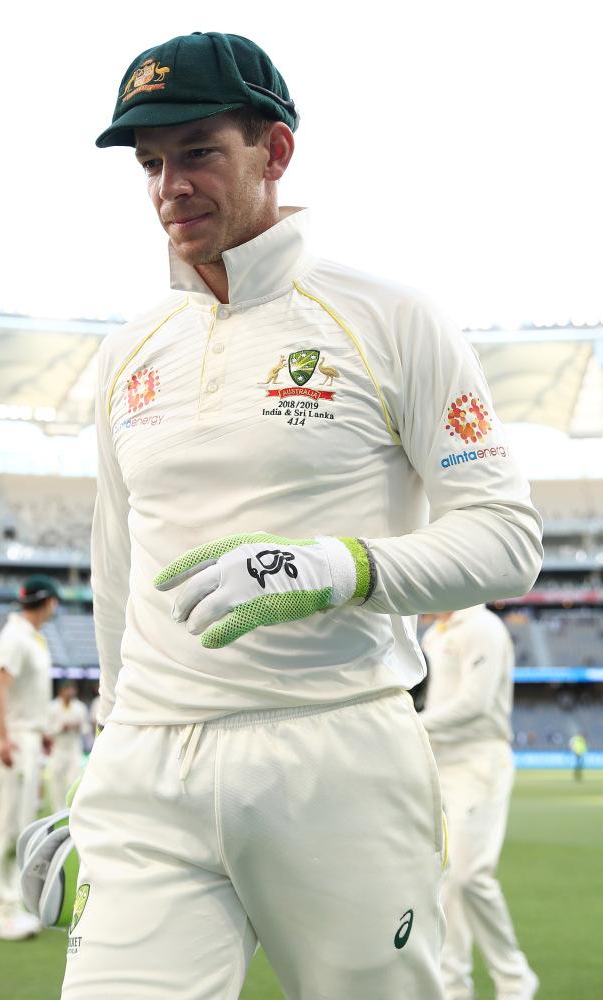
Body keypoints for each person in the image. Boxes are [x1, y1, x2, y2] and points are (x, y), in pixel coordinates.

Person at [55, 30, 542, 999]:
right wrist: (104, 755)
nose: (168, 188)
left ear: (274, 151)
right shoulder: (127, 352)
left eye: (197, 152)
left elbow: (506, 539)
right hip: (150, 762)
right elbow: (117, 569)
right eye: (150, 164)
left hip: (334, 751)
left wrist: (340, 567)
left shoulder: (389, 320)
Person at [419, 607, 539, 1000]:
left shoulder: (483, 627)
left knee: (471, 875)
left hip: (478, 761)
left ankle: (514, 978)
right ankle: (453, 986)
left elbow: (476, 703)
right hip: (440, 762)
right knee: (446, 880)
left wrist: (412, 723)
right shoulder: (434, 634)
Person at [0, 574, 59, 940]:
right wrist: (3, 737)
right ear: (50, 603)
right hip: (12, 740)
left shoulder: (31, 638)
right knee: (10, 828)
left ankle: (3, 905)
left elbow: (23, 693)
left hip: (24, 737)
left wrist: (40, 730)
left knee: (21, 823)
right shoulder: (16, 637)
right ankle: (5, 911)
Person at [47, 682, 90, 812]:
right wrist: (61, 727)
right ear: (61, 691)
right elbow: (47, 730)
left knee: (74, 780)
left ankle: (72, 811)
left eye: (72, 689)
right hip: (58, 749)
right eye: (67, 689)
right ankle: (57, 811)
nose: (70, 692)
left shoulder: (80, 707)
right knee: (56, 781)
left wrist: (78, 726)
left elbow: (86, 728)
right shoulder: (52, 707)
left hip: (74, 749)